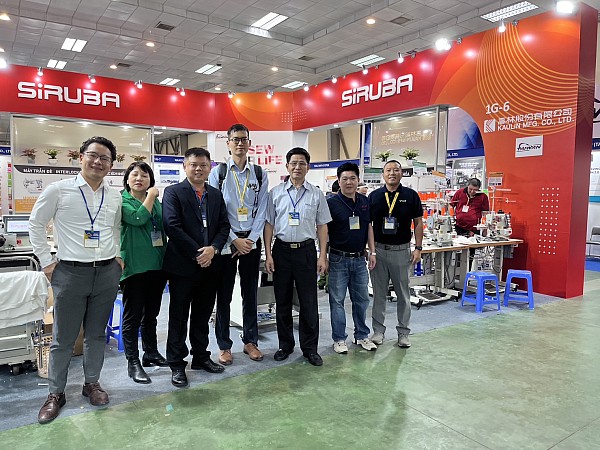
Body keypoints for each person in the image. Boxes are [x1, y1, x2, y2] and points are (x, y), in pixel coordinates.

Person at [30, 136, 123, 424]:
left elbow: (116, 229)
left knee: (96, 334)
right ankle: (55, 393)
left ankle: (91, 383)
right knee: (63, 338)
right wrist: (46, 262)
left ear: (111, 165)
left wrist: (119, 258)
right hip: (70, 273)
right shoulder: (59, 190)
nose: (98, 162)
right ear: (80, 157)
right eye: (93, 155)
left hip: (106, 272)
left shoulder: (114, 195)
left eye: (105, 158)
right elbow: (36, 223)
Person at [162, 147, 230, 388]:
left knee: (202, 315)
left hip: (210, 266)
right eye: (194, 164)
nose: (198, 169)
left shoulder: (215, 194)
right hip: (183, 267)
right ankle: (176, 363)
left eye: (203, 165)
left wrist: (214, 249)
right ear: (185, 166)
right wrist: (199, 253)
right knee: (178, 317)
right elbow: (172, 226)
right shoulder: (173, 192)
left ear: (210, 167)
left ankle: (201, 356)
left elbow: (224, 225)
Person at [264, 147, 331, 366]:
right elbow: (269, 225)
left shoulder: (316, 194)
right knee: (282, 300)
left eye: (302, 163)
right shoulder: (275, 193)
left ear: (308, 167)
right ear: (287, 166)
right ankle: (285, 345)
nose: (297, 167)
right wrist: (268, 254)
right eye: (293, 163)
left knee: (308, 302)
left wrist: (322, 255)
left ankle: (310, 349)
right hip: (281, 251)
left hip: (306, 251)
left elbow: (322, 226)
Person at [208, 124, 268, 365]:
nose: (240, 143)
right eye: (236, 139)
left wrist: (250, 240)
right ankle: (224, 345)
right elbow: (215, 210)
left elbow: (262, 210)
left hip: (251, 242)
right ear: (228, 143)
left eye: (244, 139)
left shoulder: (259, 173)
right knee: (223, 295)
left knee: (250, 293)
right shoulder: (219, 173)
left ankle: (250, 341)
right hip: (226, 241)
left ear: (249, 143)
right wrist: (234, 239)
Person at [119, 162, 168, 384]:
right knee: (133, 317)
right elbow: (137, 218)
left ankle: (151, 353)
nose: (139, 178)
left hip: (157, 265)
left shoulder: (156, 202)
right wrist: (151, 195)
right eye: (135, 175)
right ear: (127, 179)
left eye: (144, 175)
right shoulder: (122, 200)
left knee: (151, 315)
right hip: (134, 267)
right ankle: (133, 362)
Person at [368, 160, 423, 348]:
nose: (392, 173)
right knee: (379, 294)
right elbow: (369, 226)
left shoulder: (411, 195)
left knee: (403, 295)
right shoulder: (374, 196)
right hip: (379, 251)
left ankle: (403, 333)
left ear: (402, 173)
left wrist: (418, 248)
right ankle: (378, 331)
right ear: (383, 174)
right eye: (388, 170)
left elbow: (418, 223)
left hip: (402, 251)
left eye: (396, 170)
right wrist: (371, 250)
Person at [326, 162, 377, 354]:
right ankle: (339, 339)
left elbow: (369, 227)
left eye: (353, 178)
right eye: (345, 179)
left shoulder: (364, 201)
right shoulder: (331, 203)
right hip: (338, 258)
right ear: (339, 181)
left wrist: (372, 252)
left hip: (359, 259)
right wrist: (323, 256)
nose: (349, 182)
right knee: (337, 301)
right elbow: (323, 231)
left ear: (358, 180)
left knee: (362, 299)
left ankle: (361, 335)